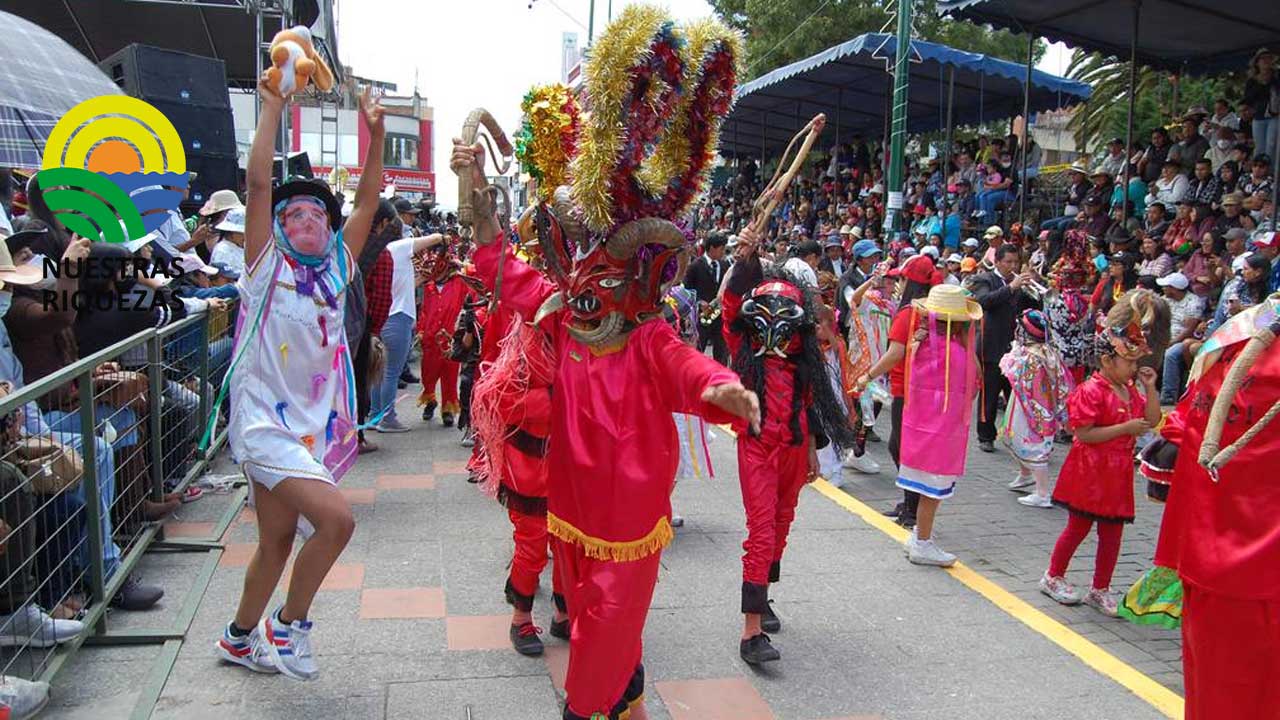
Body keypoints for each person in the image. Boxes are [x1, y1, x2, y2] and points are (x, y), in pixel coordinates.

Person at [451, 10, 760, 714]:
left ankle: (582, 708)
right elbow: (505, 271)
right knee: (592, 614)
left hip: (629, 519)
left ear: (638, 287)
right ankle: (627, 702)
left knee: (609, 623)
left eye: (601, 285)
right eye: (579, 283)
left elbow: (689, 369)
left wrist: (728, 389)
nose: (584, 296)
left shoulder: (648, 337)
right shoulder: (562, 317)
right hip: (568, 508)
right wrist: (478, 203)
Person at [214, 81, 385, 680]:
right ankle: (288, 626)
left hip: (307, 429)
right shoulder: (265, 267)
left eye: (318, 211)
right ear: (279, 225)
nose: (306, 216)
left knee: (277, 541)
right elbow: (259, 183)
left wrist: (378, 135)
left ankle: (237, 638)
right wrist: (274, 105)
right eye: (294, 212)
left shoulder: (335, 270)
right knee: (337, 521)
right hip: (262, 423)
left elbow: (366, 204)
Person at [1135, 300, 1280, 719]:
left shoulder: (1240, 331)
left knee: (1215, 691)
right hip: (1255, 564)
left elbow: (1186, 423)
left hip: (1208, 549)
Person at [722, 255, 855, 664]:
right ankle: (750, 632)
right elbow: (729, 308)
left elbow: (811, 399)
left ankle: (764, 600)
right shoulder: (743, 349)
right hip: (758, 446)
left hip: (794, 446)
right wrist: (745, 258)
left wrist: (813, 448)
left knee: (781, 525)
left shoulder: (805, 359)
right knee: (761, 531)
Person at [1040, 312, 1161, 616]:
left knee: (1112, 533)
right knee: (1078, 527)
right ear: (1107, 361)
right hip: (1090, 470)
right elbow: (1083, 433)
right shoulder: (1091, 390)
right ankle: (1053, 576)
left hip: (1116, 472)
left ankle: (1101, 588)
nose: (1134, 368)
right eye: (1129, 362)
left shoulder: (1130, 389)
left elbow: (1152, 419)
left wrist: (1149, 387)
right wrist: (1125, 429)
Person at [860, 284, 982, 566]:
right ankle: (923, 542)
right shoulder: (956, 355)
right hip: (941, 434)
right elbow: (973, 386)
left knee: (925, 486)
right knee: (932, 491)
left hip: (920, 430)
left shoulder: (922, 345)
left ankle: (918, 536)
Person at [852, 255, 941, 528]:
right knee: (904, 448)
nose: (897, 283)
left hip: (908, 389)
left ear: (908, 281)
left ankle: (913, 511)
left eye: (900, 278)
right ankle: (909, 504)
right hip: (923, 388)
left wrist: (867, 376)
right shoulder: (932, 309)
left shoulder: (908, 313)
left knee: (902, 448)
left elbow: (895, 354)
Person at [1000, 310, 1072, 507]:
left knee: (1032, 442)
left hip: (1032, 407)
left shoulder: (1031, 356)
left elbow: (1021, 379)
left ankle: (1042, 492)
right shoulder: (1046, 351)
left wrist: (1012, 360)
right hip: (1034, 404)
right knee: (1017, 437)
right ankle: (1025, 474)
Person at [970, 244, 1034, 452]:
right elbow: (982, 302)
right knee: (989, 394)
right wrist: (1010, 288)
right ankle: (985, 435)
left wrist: (1034, 289)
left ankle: (1017, 435)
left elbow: (1031, 308)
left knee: (1016, 395)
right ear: (997, 261)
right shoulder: (985, 279)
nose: (1012, 266)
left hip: (1015, 347)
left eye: (1016, 262)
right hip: (991, 345)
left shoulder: (1016, 284)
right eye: (1008, 262)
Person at [415, 241, 479, 427]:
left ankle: (448, 409)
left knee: (450, 374)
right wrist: (421, 330)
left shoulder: (459, 283)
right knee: (428, 373)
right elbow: (424, 311)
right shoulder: (429, 287)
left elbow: (476, 275)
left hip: (451, 338)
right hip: (430, 337)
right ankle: (430, 399)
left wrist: (462, 265)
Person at [1157, 273, 1206, 405]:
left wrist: (1171, 342)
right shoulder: (1166, 300)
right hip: (1165, 336)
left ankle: (1168, 395)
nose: (1163, 289)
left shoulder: (1194, 302)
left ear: (1174, 288)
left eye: (1166, 287)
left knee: (1170, 354)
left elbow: (1189, 330)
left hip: (1183, 339)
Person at [682, 233, 731, 365]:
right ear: (712, 248)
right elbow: (686, 290)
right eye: (721, 249)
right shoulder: (696, 266)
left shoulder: (725, 265)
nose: (723, 252)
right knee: (698, 350)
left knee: (721, 351)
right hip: (702, 316)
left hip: (720, 315)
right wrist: (698, 302)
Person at [1243, 48, 1279, 159]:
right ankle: (1259, 171)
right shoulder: (1252, 81)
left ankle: (1270, 172)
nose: (1266, 61)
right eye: (1263, 59)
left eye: (1268, 58)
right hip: (1258, 115)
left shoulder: (1277, 76)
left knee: (1271, 145)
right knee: (1259, 147)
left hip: (1274, 114)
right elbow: (1247, 98)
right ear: (1257, 63)